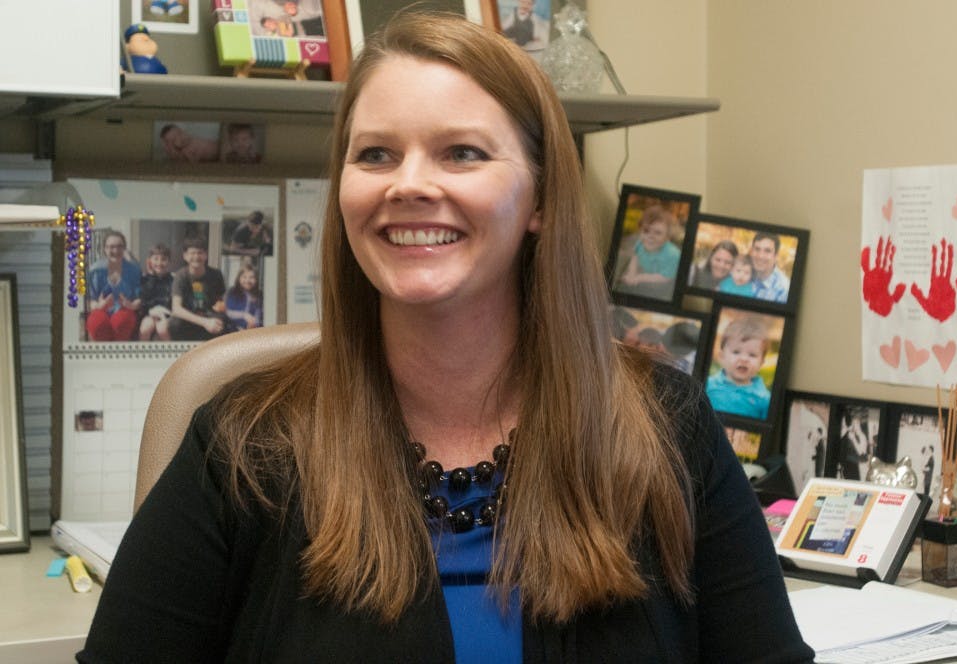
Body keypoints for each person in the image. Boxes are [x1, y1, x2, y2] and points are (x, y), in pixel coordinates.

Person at [80, 12, 812, 662]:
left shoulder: (664, 427)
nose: (408, 184)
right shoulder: (246, 448)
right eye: (375, 155)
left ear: (541, 199)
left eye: (461, 152)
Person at [705, 314, 772, 420]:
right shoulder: (708, 386)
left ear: (761, 363)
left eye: (752, 355)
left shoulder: (764, 398)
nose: (744, 359)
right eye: (736, 352)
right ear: (722, 357)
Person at [166, 236, 228, 341]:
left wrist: (218, 316)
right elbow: (176, 308)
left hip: (209, 315)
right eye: (192, 253)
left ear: (205, 255)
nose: (196, 256)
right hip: (189, 318)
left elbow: (220, 301)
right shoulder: (181, 276)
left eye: (200, 253)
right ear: (185, 256)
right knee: (174, 324)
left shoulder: (216, 274)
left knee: (222, 323)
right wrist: (204, 322)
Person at [615, 205, 681, 300]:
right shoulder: (640, 243)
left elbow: (665, 277)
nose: (650, 236)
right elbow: (635, 256)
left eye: (657, 232)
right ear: (640, 230)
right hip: (651, 274)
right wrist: (631, 273)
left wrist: (639, 277)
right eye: (646, 230)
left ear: (667, 237)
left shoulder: (673, 255)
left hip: (667, 283)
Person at [85, 231, 142, 341]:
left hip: (125, 310)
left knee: (122, 322)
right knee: (97, 323)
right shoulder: (95, 270)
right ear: (105, 249)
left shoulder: (134, 270)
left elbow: (139, 299)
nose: (115, 251)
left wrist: (131, 305)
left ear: (124, 248)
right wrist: (99, 306)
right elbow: (89, 300)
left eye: (119, 247)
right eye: (111, 247)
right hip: (101, 310)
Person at [137, 243, 174, 341]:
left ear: (169, 262)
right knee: (145, 328)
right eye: (156, 259)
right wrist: (151, 277)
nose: (159, 263)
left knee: (163, 330)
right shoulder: (145, 279)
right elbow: (143, 300)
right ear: (149, 261)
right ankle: (143, 354)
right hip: (150, 313)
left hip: (167, 314)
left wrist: (165, 313)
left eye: (163, 259)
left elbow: (173, 300)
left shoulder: (173, 279)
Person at [749, 231, 791, 302]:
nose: (760, 256)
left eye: (767, 251)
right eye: (757, 249)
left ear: (776, 256)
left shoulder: (784, 290)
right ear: (751, 252)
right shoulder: (743, 271)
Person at [224, 263, 263, 330]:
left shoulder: (259, 294)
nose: (247, 281)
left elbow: (259, 311)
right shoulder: (233, 292)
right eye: (244, 277)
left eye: (251, 277)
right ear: (239, 278)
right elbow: (228, 312)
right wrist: (244, 315)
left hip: (251, 330)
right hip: (232, 329)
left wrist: (255, 323)